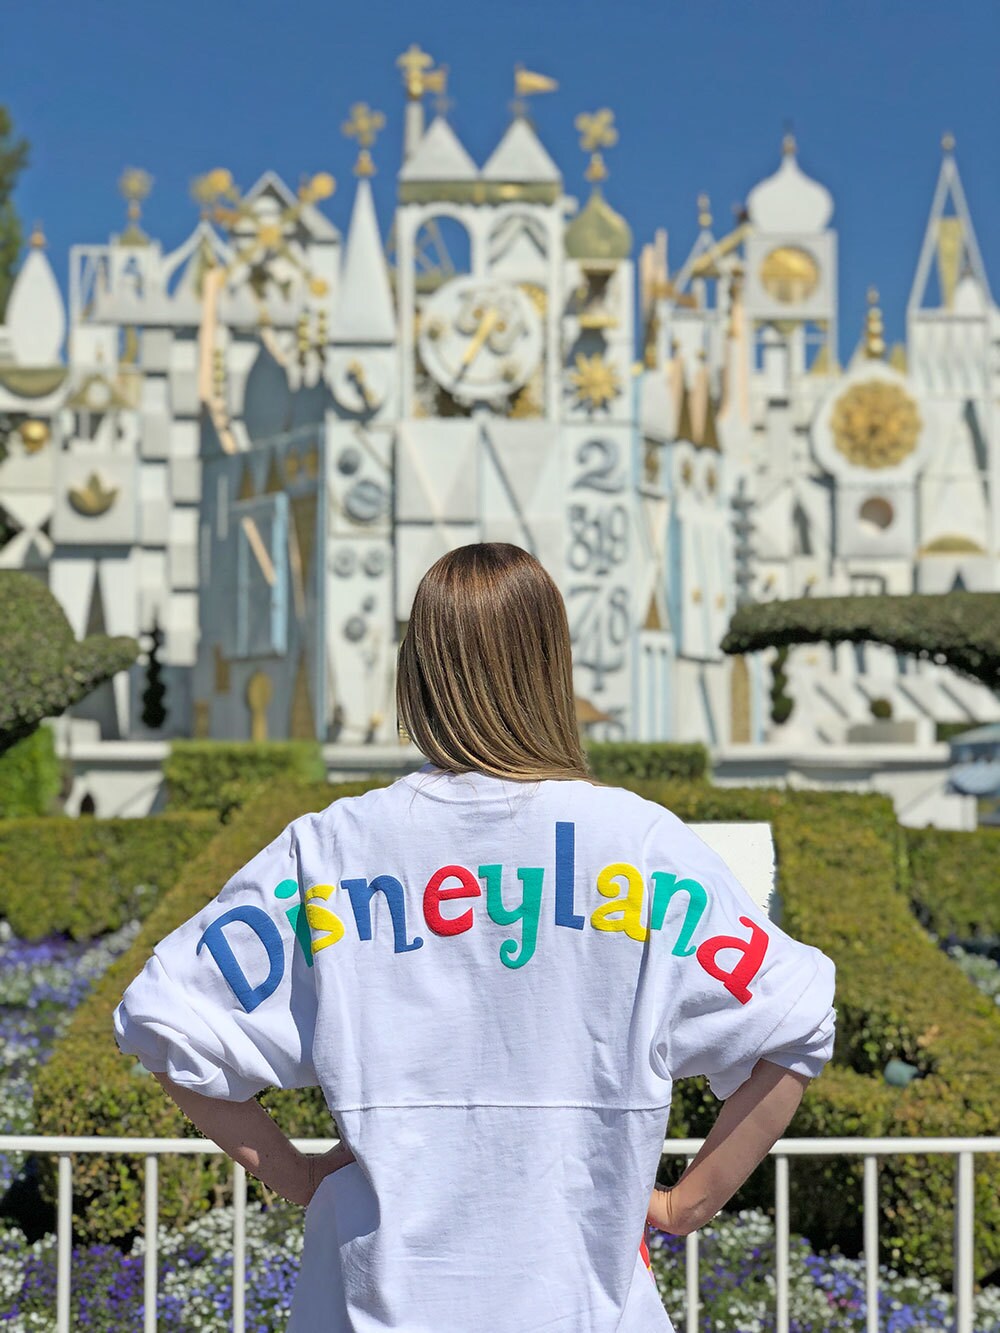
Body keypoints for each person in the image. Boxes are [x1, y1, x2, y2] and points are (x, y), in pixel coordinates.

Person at [114, 542, 836, 1332]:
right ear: (552, 666)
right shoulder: (641, 846)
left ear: (418, 670)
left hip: (369, 1305)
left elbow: (164, 1017)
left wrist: (295, 1174)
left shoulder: (332, 850)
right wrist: (685, 1203)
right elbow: (794, 1020)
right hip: (589, 1307)